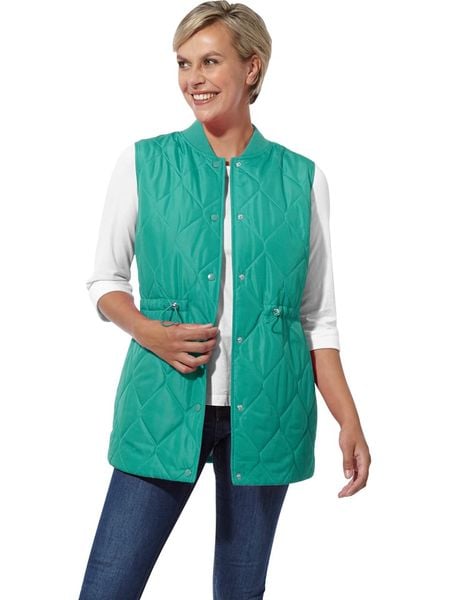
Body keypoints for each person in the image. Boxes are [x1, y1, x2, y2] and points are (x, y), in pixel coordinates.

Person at [79, 2, 371, 598]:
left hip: (268, 414)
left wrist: (349, 418)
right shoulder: (145, 162)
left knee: (241, 591)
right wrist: (150, 332)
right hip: (163, 403)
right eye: (183, 63)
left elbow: (317, 317)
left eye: (210, 62)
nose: (194, 79)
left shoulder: (302, 178)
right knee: (108, 586)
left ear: (252, 68)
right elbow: (104, 282)